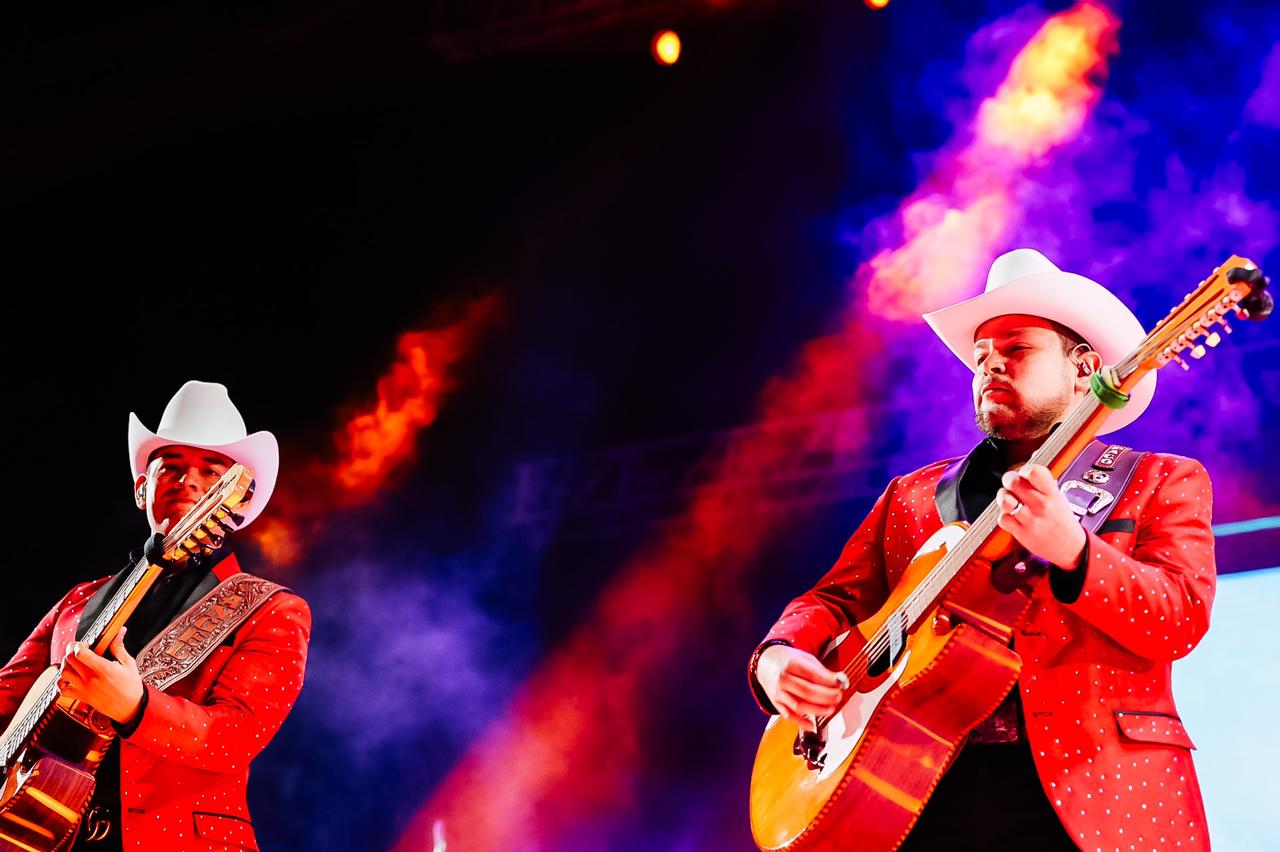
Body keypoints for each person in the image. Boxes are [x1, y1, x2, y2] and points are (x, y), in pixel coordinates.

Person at [749, 249, 1214, 851]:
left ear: (1085, 369)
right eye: (980, 358)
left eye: (1017, 349)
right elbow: (832, 602)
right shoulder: (912, 497)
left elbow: (1179, 619)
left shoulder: (1160, 480)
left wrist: (1075, 552)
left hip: (1103, 795)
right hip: (920, 794)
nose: (991, 366)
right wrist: (779, 657)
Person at [0, 380, 311, 851]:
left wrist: (136, 707)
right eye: (173, 467)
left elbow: (234, 737)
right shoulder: (78, 601)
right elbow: (7, 696)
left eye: (211, 471)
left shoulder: (273, 609)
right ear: (143, 489)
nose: (189, 481)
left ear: (238, 500)